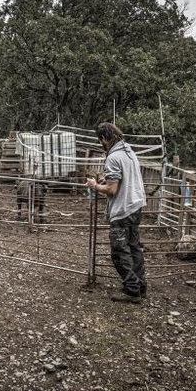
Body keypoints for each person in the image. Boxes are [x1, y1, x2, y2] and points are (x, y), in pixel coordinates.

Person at [85, 122, 147, 304]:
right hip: (136, 205)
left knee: (120, 251)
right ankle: (141, 285)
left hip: (123, 209)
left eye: (101, 140)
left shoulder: (113, 157)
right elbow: (122, 176)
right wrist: (109, 178)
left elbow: (112, 190)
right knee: (134, 247)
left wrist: (95, 185)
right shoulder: (129, 151)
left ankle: (132, 290)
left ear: (104, 138)